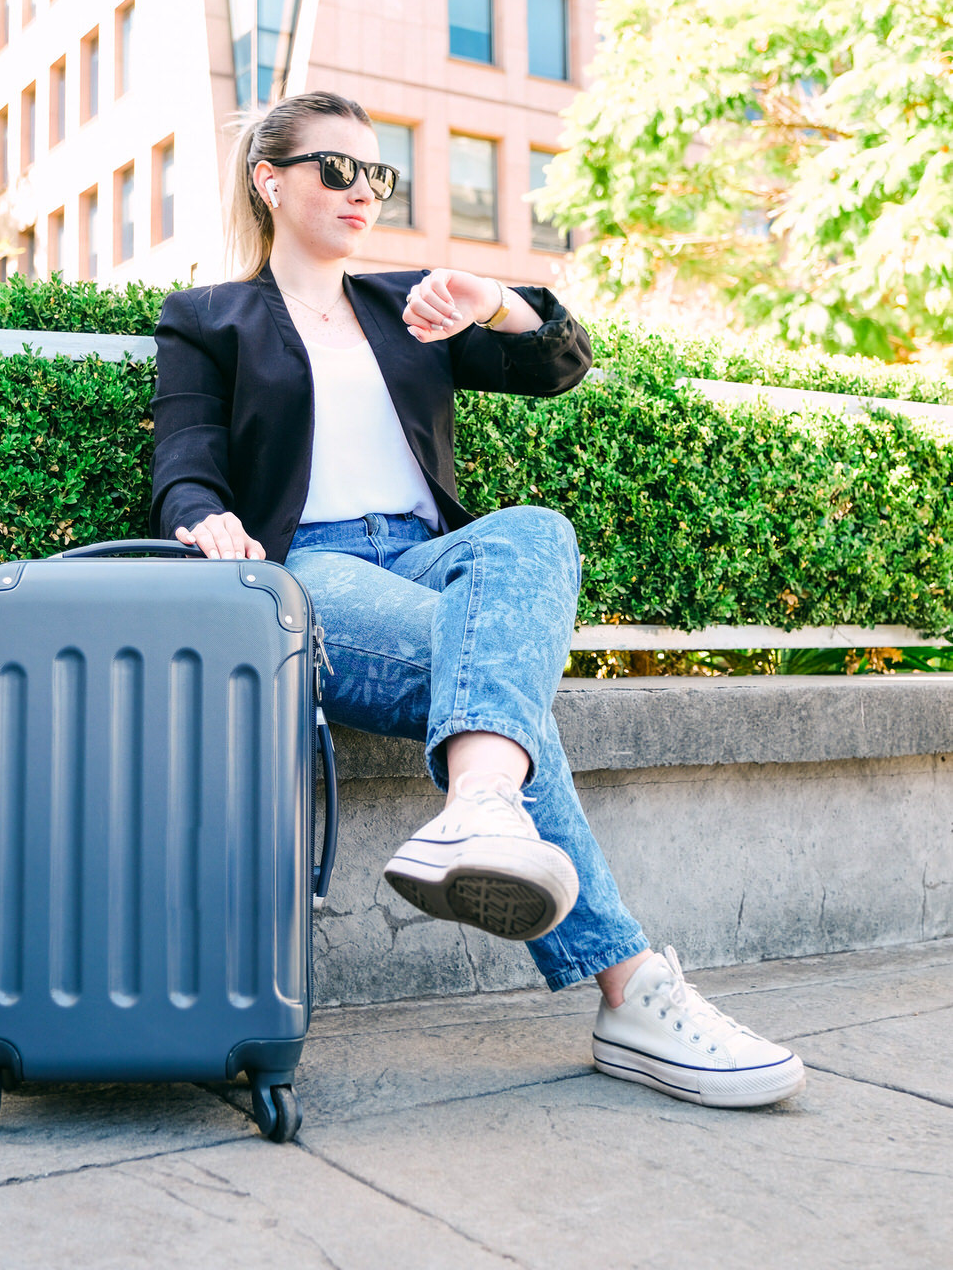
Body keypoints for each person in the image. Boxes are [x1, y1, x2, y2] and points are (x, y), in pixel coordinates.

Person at [150, 90, 805, 1110]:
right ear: (268, 180)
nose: (362, 191)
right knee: (504, 699)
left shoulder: (407, 304)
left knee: (534, 530)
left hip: (427, 561)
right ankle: (631, 988)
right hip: (306, 574)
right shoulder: (209, 320)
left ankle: (480, 807)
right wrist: (205, 521)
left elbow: (557, 361)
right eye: (336, 169)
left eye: (379, 174)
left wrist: (493, 301)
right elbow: (184, 463)